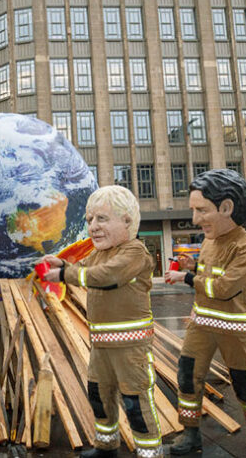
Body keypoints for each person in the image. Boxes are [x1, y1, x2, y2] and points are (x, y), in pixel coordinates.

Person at [40, 185, 162, 458]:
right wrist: (62, 265)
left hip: (131, 348)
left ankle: (150, 452)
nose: (93, 226)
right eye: (89, 220)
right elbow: (86, 270)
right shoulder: (98, 254)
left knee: (135, 401)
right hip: (101, 344)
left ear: (127, 221)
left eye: (102, 219)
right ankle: (107, 446)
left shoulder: (134, 252)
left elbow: (106, 276)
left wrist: (64, 275)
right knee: (99, 395)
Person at [164, 169, 246, 457]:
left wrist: (186, 279)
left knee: (245, 383)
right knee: (188, 377)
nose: (195, 219)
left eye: (202, 210)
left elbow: (224, 288)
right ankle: (190, 433)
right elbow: (210, 273)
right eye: (193, 210)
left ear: (226, 207)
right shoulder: (210, 241)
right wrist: (192, 267)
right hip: (202, 325)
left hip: (235, 330)